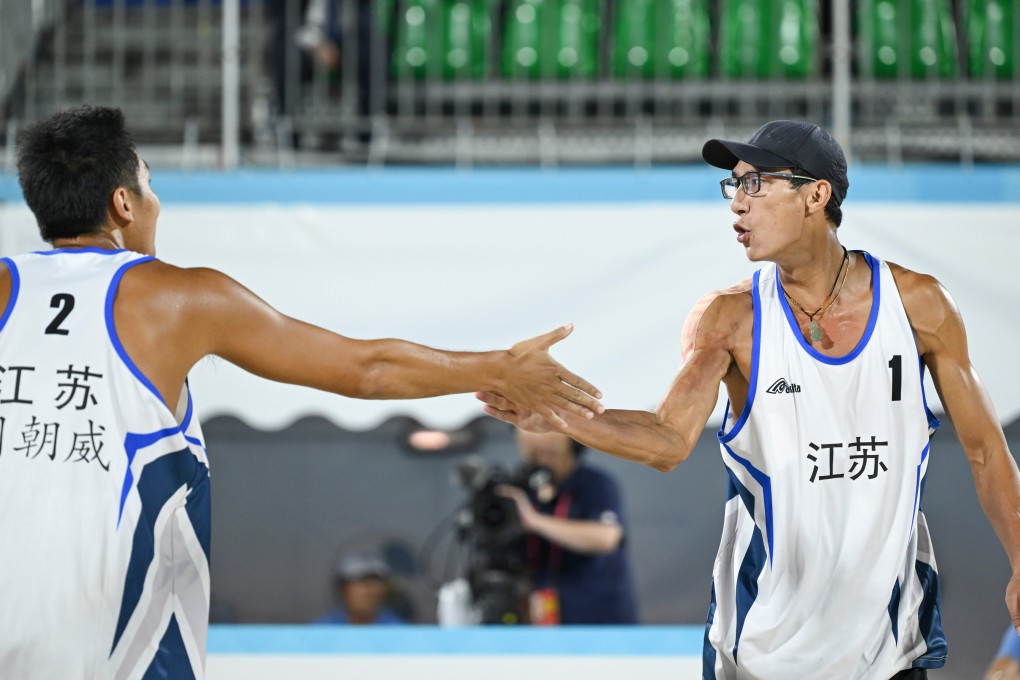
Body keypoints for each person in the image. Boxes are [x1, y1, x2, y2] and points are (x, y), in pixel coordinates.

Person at [0, 106, 601, 679]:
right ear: (123, 203)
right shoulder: (177, 297)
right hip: (120, 643)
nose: (158, 205)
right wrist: (499, 367)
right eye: (152, 187)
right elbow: (364, 367)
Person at [478, 120, 1020, 679]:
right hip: (760, 652)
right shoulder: (729, 319)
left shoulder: (919, 305)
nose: (737, 204)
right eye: (733, 186)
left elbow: (984, 450)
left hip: (888, 650)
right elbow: (666, 441)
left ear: (816, 194)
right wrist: (560, 413)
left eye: (756, 184)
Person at [498, 429, 638, 625]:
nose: (542, 461)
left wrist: (535, 521)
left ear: (573, 448)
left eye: (551, 453)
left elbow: (607, 538)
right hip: (537, 622)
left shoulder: (596, 484)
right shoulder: (517, 491)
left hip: (600, 622)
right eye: (533, 454)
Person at [315, 551, 406, 625]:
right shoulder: (319, 633)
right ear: (342, 588)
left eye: (376, 580)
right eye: (360, 580)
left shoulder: (402, 634)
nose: (369, 590)